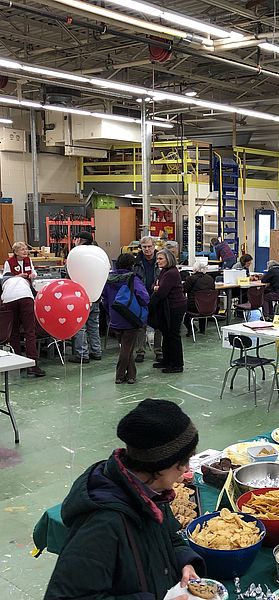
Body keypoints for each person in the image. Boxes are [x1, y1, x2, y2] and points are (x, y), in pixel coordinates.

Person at [43, 398, 205, 600]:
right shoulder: (103, 524)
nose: (187, 469)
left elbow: (170, 535)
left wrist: (184, 561)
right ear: (160, 466)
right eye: (183, 462)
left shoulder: (152, 493)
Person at [101, 253, 150, 384]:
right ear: (132, 265)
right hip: (130, 317)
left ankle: (131, 375)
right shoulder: (133, 279)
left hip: (115, 317)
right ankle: (120, 374)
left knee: (125, 346)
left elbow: (104, 300)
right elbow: (145, 297)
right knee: (126, 348)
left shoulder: (109, 279)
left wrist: (110, 312)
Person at [1, 242, 45, 377]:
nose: (25, 251)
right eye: (22, 249)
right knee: (30, 331)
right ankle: (33, 364)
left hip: (9, 298)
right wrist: (18, 277)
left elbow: (5, 281)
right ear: (15, 251)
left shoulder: (28, 261)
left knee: (13, 332)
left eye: (26, 249)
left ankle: (18, 362)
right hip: (25, 296)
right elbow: (7, 276)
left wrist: (33, 275)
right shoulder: (9, 262)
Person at [68, 231, 102, 364]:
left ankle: (82, 354)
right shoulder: (97, 253)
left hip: (80, 297)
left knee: (80, 326)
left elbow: (69, 273)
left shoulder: (76, 254)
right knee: (94, 325)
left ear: (79, 240)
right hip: (95, 296)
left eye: (75, 238)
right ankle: (96, 351)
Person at [151, 249, 187, 373]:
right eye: (157, 259)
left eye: (161, 259)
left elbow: (161, 292)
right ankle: (167, 360)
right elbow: (154, 285)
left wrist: (157, 288)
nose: (158, 261)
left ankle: (177, 364)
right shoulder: (164, 271)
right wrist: (156, 287)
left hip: (175, 307)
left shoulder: (171, 273)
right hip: (168, 306)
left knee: (173, 335)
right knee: (166, 334)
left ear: (168, 259)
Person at [133, 236, 162, 364]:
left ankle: (158, 351)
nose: (147, 249)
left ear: (154, 246)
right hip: (141, 298)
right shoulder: (136, 262)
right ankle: (140, 351)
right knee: (141, 326)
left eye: (149, 246)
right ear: (141, 247)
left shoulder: (161, 260)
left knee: (158, 326)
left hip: (157, 297)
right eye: (144, 247)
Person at [183, 260, 215, 336]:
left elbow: (184, 289)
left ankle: (192, 329)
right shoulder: (210, 278)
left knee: (186, 314)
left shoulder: (191, 279)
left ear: (195, 269)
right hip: (209, 306)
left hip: (194, 306)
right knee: (203, 305)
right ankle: (202, 330)